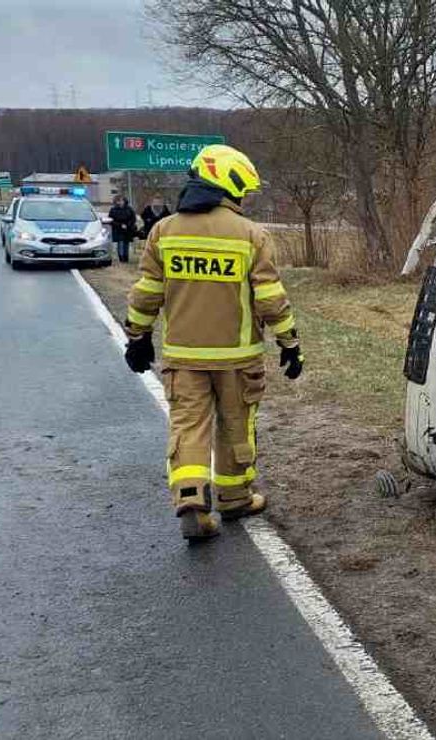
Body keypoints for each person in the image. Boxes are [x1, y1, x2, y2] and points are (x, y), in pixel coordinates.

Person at [122, 144, 304, 541]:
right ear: (228, 184)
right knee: (236, 426)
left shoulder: (163, 231)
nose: (243, 199)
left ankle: (191, 499)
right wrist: (289, 342)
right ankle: (235, 498)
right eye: (242, 191)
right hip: (238, 358)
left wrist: (137, 338)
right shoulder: (250, 235)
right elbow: (270, 298)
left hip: (183, 357)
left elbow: (146, 293)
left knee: (188, 426)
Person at [108, 196, 137, 263]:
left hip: (128, 229)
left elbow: (133, 218)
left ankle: (126, 257)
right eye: (119, 201)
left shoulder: (129, 209)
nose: (120, 202)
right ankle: (121, 258)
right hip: (118, 229)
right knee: (120, 243)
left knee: (126, 244)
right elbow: (111, 220)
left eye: (121, 200)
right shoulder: (113, 210)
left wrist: (129, 225)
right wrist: (120, 225)